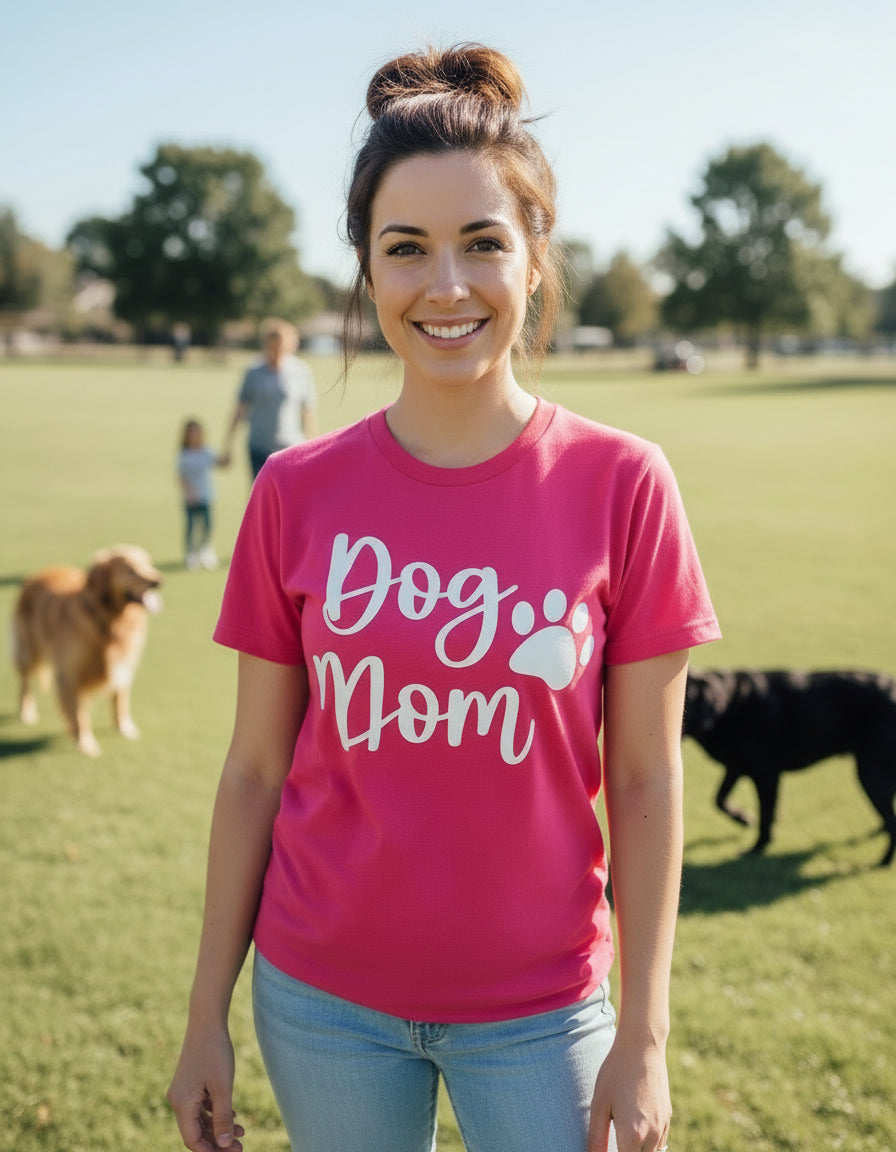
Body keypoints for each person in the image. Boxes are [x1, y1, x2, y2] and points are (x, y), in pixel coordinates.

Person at [167, 43, 721, 1152]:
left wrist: (644, 1033)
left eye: (481, 244)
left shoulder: (624, 483)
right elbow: (255, 771)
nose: (446, 286)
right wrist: (202, 1018)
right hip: (320, 1001)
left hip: (541, 1011)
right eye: (405, 249)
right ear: (367, 271)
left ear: (532, 257)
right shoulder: (292, 491)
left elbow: (649, 778)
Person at [222, 317, 318, 479]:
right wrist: (228, 444)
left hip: (290, 447)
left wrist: (314, 447)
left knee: (288, 499)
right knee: (263, 501)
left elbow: (307, 412)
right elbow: (240, 409)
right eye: (272, 347)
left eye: (279, 347)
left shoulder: (301, 372)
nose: (275, 352)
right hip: (259, 447)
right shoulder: (254, 372)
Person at [177, 418, 228, 570]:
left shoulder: (206, 452)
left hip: (206, 496)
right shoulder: (184, 455)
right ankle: (191, 553)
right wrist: (189, 491)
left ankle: (205, 550)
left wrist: (228, 455)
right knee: (191, 526)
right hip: (190, 499)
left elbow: (221, 463)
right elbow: (181, 476)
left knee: (207, 525)